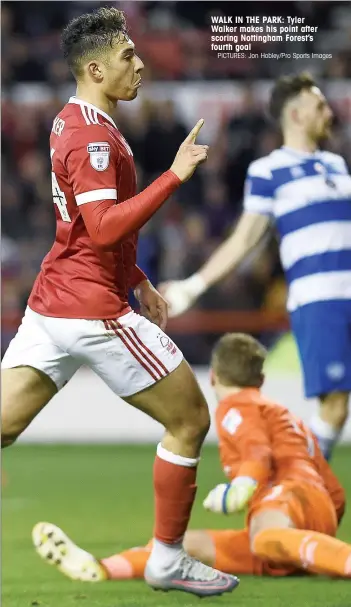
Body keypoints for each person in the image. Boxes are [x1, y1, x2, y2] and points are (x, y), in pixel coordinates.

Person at [1, 7, 239, 597]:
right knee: (189, 420)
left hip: (53, 302)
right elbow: (103, 228)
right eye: (127, 57)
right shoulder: (92, 137)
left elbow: (85, 231)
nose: (139, 65)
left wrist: (138, 276)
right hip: (90, 310)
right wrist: (175, 175)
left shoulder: (72, 121)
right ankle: (167, 558)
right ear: (95, 67)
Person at [32, 333, 350, 581]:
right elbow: (331, 487)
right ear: (261, 380)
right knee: (184, 547)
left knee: (265, 536)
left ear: (212, 377)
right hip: (316, 507)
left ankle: (341, 559)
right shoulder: (284, 415)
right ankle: (99, 568)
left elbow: (256, 451)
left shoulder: (237, 406)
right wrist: (323, 528)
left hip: (287, 496)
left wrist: (241, 486)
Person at [162, 72, 351, 461]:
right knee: (334, 407)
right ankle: (292, 483)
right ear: (295, 115)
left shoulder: (336, 165)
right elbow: (244, 239)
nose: (328, 113)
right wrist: (193, 286)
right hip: (321, 301)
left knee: (338, 408)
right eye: (319, 106)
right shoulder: (269, 171)